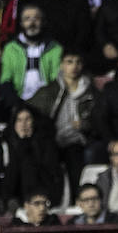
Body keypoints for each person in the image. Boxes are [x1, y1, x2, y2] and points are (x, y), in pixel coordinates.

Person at [26, 49, 93, 200]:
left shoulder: (91, 91)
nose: (74, 66)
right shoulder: (49, 90)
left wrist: (85, 125)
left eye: (78, 62)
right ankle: (51, 202)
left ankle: (78, 201)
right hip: (51, 141)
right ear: (62, 65)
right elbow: (29, 111)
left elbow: (100, 119)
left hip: (77, 141)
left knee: (75, 158)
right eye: (69, 62)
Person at [0, 2, 60, 105]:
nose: (32, 23)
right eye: (27, 19)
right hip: (19, 100)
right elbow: (5, 78)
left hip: (46, 102)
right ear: (21, 23)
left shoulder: (54, 48)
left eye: (36, 18)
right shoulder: (11, 48)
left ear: (43, 22)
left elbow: (56, 79)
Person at [1, 106, 62, 210]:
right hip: (14, 190)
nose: (23, 124)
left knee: (28, 164)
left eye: (27, 119)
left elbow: (49, 170)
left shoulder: (46, 143)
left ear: (34, 121)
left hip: (43, 187)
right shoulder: (7, 143)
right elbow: (11, 172)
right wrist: (21, 142)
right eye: (19, 120)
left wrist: (27, 142)